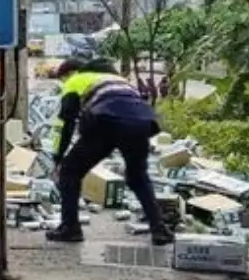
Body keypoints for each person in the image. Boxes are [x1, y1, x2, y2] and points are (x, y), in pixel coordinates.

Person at [47, 57, 174, 246]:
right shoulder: (118, 80)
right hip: (141, 123)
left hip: (105, 123)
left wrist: (58, 158)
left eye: (62, 79)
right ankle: (159, 229)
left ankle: (70, 228)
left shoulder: (75, 80)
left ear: (70, 73)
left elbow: (66, 121)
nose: (63, 83)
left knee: (70, 172)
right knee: (138, 176)